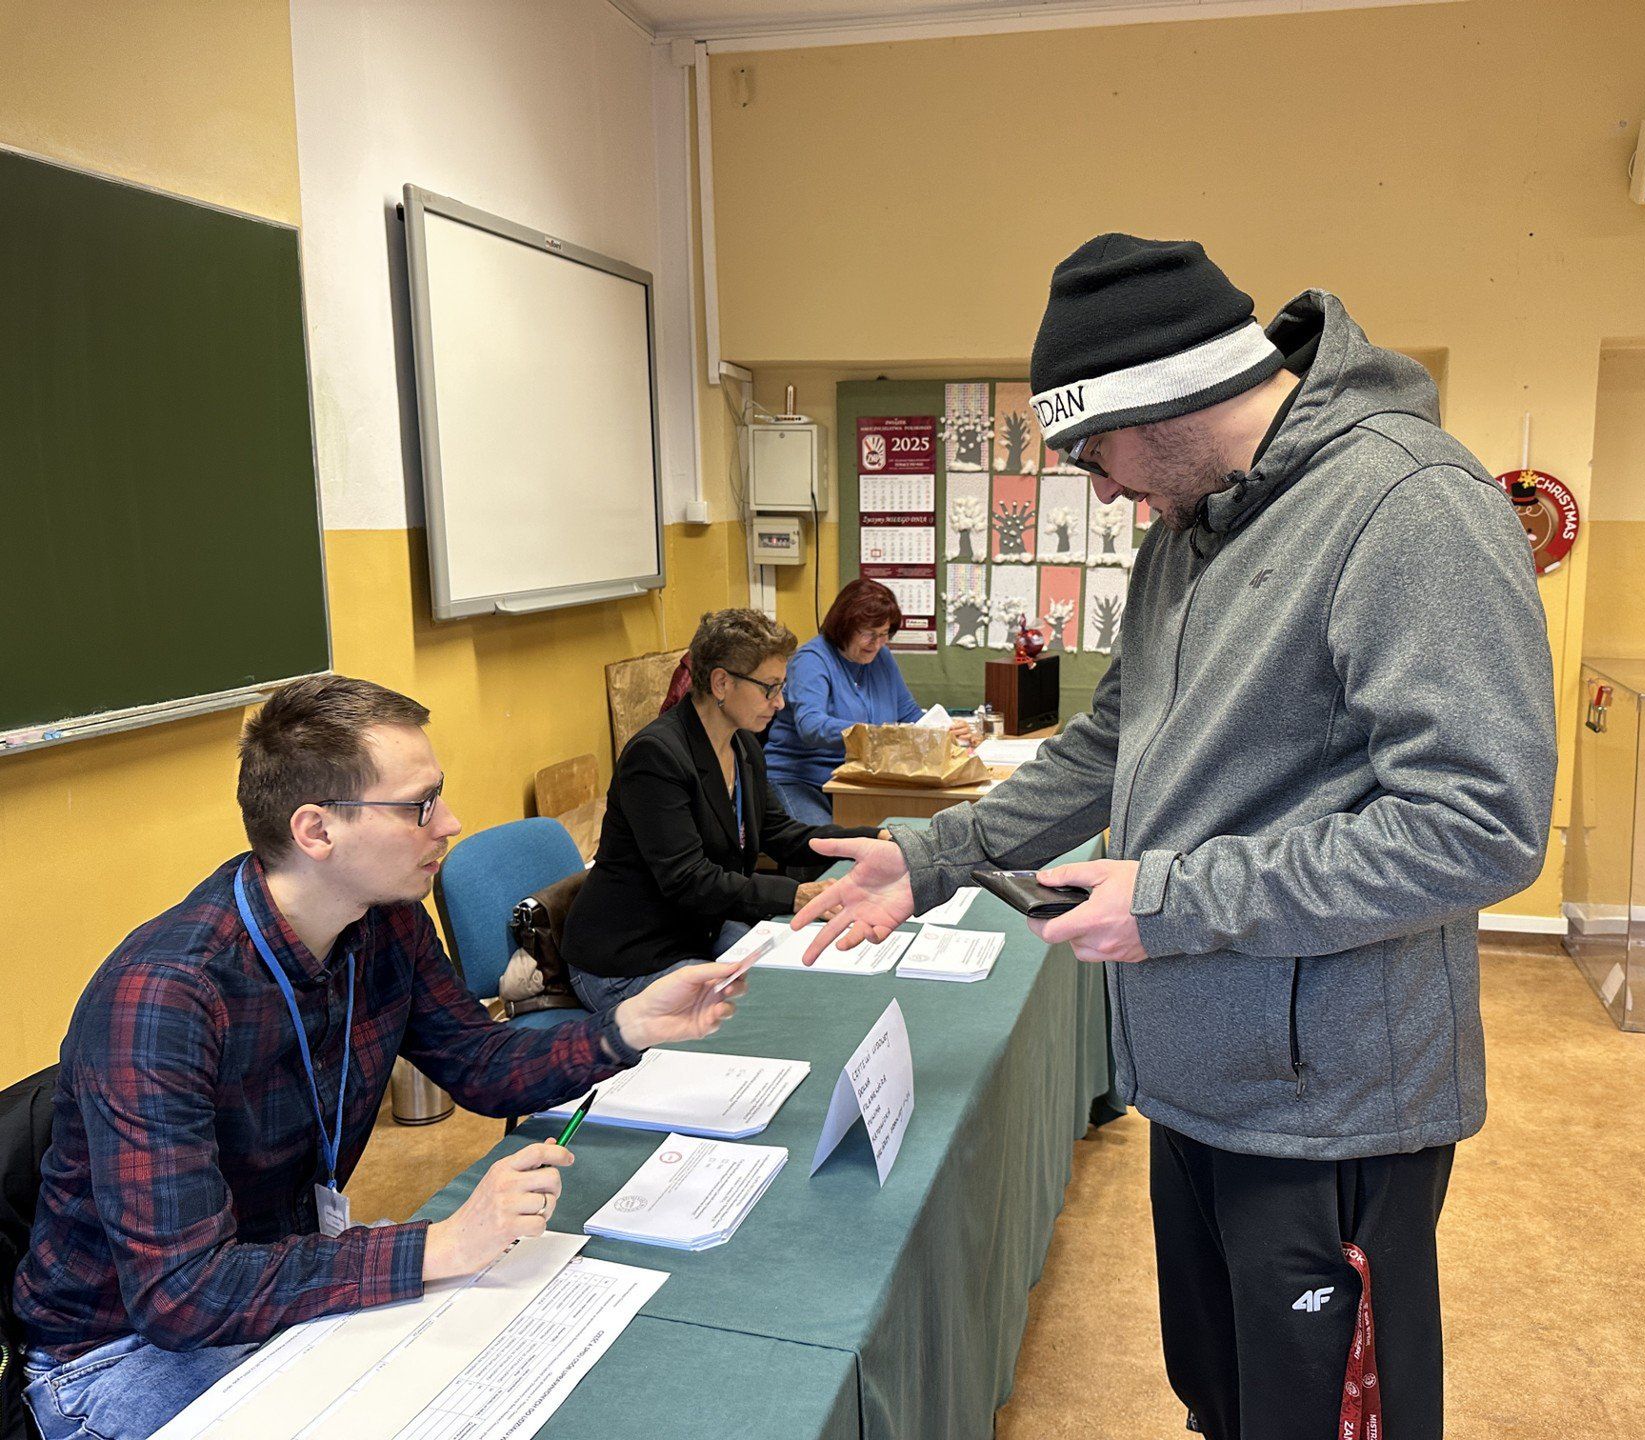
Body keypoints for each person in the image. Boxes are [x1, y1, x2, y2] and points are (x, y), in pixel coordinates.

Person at [796, 235, 1558, 1440]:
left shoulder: (1409, 507)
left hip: (1332, 1104)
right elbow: (1113, 738)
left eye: (1094, 452)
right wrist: (933, 854)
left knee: (1321, 1419)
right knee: (1228, 1398)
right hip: (1198, 1078)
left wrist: (1171, 901)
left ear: (1168, 395)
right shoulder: (1191, 528)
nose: (1098, 490)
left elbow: (1481, 825)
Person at [12, 676, 746, 1440]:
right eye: (419, 805)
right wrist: (442, 1244)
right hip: (119, 1357)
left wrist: (624, 1027)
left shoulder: (384, 922)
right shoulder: (165, 997)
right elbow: (183, 1292)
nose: (450, 823)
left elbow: (482, 1064)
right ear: (316, 831)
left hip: (266, 1289)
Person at [562, 608, 878, 1010]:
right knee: (752, 1012)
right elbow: (689, 879)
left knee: (805, 975)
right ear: (721, 683)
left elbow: (779, 832)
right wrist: (796, 894)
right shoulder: (656, 756)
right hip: (628, 957)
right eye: (769, 688)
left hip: (696, 930)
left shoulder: (742, 744)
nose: (780, 703)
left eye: (782, 687)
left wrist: (874, 839)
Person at [762, 577, 970, 826]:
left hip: (856, 779)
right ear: (844, 627)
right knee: (822, 846)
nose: (878, 644)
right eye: (869, 635)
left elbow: (908, 714)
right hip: (800, 779)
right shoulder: (812, 660)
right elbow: (811, 726)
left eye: (884, 635)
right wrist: (875, 735)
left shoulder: (880, 656)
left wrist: (945, 730)